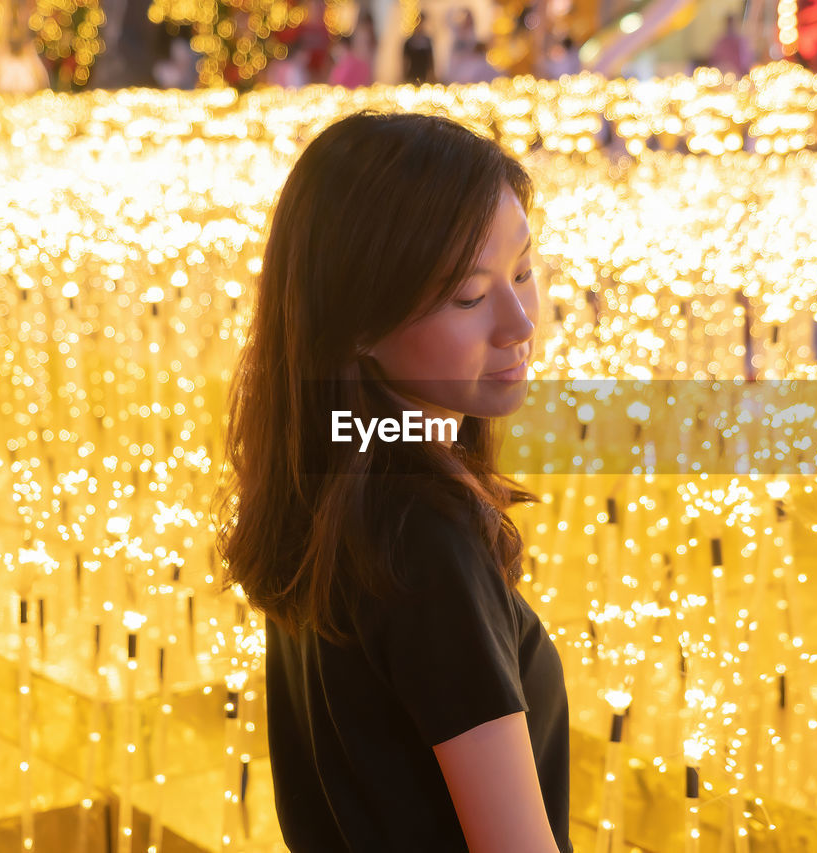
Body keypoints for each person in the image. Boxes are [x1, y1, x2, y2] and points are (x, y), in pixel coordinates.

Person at [215, 110, 572, 853]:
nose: (519, 322)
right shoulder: (421, 539)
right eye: (470, 297)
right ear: (359, 323)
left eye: (524, 272)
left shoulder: (332, 484)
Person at [403, 12, 436, 84]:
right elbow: (405, 61)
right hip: (411, 75)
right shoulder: (409, 42)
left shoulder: (427, 41)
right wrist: (403, 75)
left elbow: (430, 59)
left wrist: (432, 74)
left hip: (424, 75)